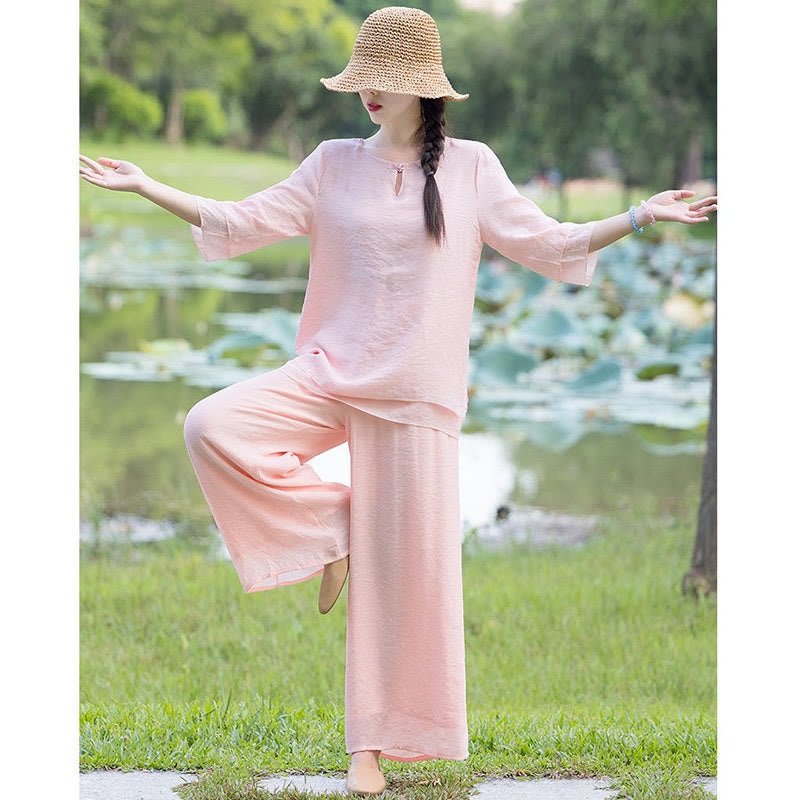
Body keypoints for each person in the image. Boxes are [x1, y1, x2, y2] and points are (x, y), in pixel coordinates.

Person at [78, 5, 717, 795]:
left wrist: (638, 216)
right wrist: (146, 185)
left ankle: (370, 751)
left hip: (414, 391)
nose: (369, 93)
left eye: (385, 80)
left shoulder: (471, 167)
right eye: (362, 79)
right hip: (328, 371)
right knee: (213, 424)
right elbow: (241, 221)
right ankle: (334, 529)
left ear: (424, 88)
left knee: (401, 583)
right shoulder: (330, 164)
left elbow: (547, 242)